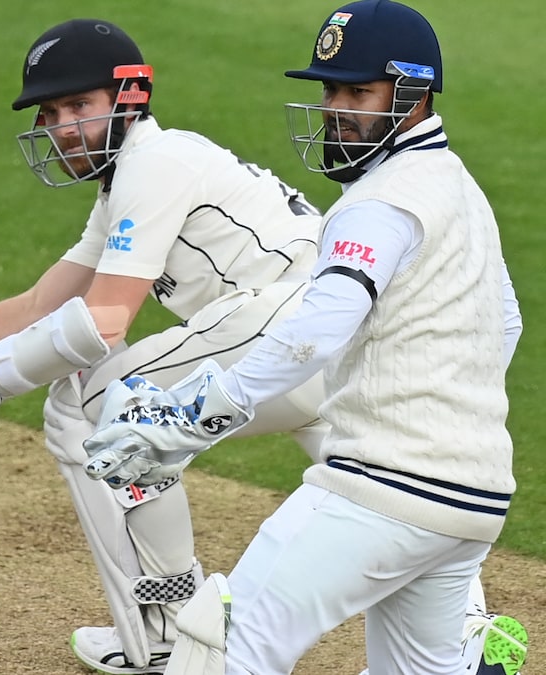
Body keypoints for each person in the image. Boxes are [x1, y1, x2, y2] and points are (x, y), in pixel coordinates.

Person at [0, 17, 330, 674]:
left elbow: (103, 322)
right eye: (50, 113)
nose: (62, 126)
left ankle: (171, 630)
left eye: (78, 106)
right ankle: (454, 639)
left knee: (94, 403)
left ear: (129, 98)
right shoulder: (131, 179)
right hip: (324, 350)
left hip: (289, 330)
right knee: (385, 489)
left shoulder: (156, 164)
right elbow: (42, 304)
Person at [80, 2, 527, 673]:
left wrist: (200, 413)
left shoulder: (379, 201)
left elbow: (317, 329)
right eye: (329, 90)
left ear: (414, 94)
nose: (335, 109)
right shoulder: (460, 188)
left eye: (358, 92)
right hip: (473, 499)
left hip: (382, 489)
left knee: (222, 647)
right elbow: (506, 323)